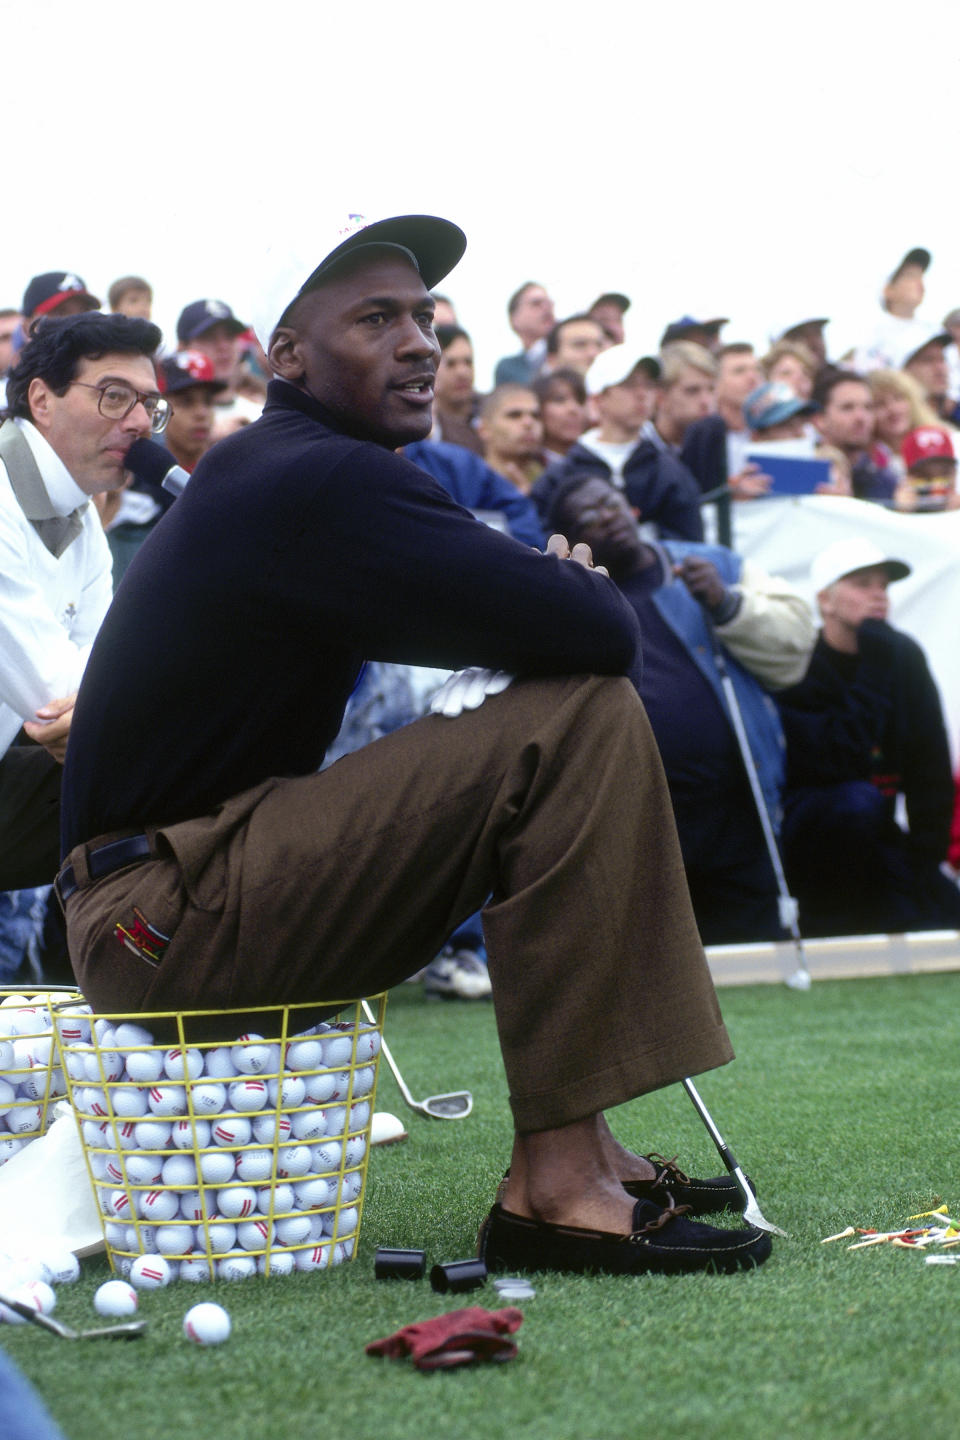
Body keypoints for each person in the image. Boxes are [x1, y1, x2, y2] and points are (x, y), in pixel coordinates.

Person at [58, 210, 770, 1278]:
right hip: (161, 920)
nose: (420, 342)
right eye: (377, 319)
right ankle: (557, 1183)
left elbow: (567, 628)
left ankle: (587, 1150)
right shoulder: (311, 476)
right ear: (287, 355)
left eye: (426, 317)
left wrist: (558, 598)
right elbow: (599, 630)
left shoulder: (297, 471)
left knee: (575, 706)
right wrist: (565, 585)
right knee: (576, 712)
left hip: (172, 902)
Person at [549, 473, 815, 944]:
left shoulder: (711, 566)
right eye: (589, 516)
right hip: (637, 814)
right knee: (660, 951)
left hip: (736, 806)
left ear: (633, 509)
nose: (607, 517)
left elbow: (797, 646)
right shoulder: (571, 602)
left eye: (611, 503)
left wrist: (726, 602)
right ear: (571, 542)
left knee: (752, 949)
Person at [0, 311, 164, 894]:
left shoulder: (82, 513)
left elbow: (98, 679)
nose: (142, 422)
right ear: (41, 400)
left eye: (149, 404)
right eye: (115, 397)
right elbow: (57, 698)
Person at [778, 538, 960, 938]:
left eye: (884, 585)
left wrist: (924, 863)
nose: (879, 595)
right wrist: (875, 667)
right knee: (856, 802)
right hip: (813, 834)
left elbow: (930, 762)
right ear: (825, 600)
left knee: (943, 917)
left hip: (876, 829)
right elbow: (836, 758)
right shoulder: (800, 661)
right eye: (862, 584)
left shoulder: (902, 654)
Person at [531, 346, 704, 542]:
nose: (642, 394)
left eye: (648, 385)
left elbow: (689, 544)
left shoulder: (671, 471)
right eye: (628, 384)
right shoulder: (559, 476)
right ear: (598, 398)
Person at [175, 299, 262, 436]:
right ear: (182, 348)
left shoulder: (260, 415)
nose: (223, 346)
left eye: (230, 336)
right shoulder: (164, 421)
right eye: (209, 337)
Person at [811, 369, 898, 501]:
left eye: (868, 407)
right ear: (820, 420)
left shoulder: (885, 482)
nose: (861, 418)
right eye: (847, 407)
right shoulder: (801, 474)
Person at [476, 383, 544, 492]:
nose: (529, 423)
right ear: (484, 429)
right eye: (514, 415)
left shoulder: (555, 483)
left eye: (535, 416)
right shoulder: (467, 484)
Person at [429, 323, 483, 454]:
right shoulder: (424, 424)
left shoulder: (491, 412)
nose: (462, 372)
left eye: (468, 362)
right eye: (451, 364)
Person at [493, 281, 555, 385]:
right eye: (536, 304)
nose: (546, 308)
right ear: (514, 318)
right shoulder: (508, 368)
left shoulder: (569, 354)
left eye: (550, 304)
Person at [891, 425, 960, 513]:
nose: (937, 484)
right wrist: (901, 513)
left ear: (954, 472)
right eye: (925, 475)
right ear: (907, 476)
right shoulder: (893, 513)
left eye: (945, 473)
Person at [531, 367, 588, 463]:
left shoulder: (597, 462)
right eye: (559, 400)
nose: (573, 409)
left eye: (580, 401)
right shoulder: (523, 466)